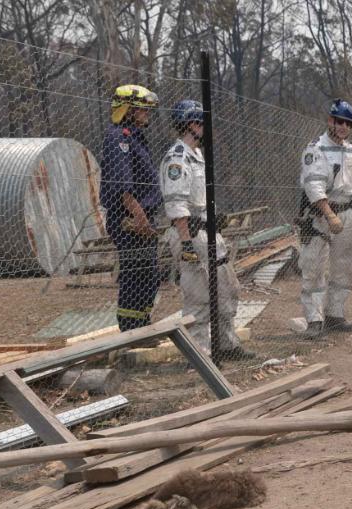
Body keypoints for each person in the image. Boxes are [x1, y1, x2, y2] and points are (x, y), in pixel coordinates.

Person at [159, 100, 255, 361]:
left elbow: (199, 198)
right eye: (203, 123)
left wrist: (213, 219)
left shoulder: (198, 155)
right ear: (192, 124)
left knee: (226, 288)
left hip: (207, 233)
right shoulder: (176, 160)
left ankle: (227, 344)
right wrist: (186, 243)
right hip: (189, 233)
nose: (208, 129)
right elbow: (177, 205)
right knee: (198, 298)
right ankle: (200, 356)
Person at [297, 98, 352, 337]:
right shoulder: (316, 149)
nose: (343, 127)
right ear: (330, 121)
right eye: (339, 122)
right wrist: (328, 215)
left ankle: (335, 314)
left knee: (344, 266)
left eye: (348, 123)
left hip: (346, 214)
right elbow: (313, 186)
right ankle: (314, 320)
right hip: (320, 215)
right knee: (314, 266)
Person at [99, 84, 162, 331]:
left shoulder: (134, 136)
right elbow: (123, 187)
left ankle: (143, 325)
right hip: (129, 219)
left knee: (148, 276)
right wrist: (140, 218)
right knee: (135, 276)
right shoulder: (119, 138)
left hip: (141, 217)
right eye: (142, 109)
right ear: (129, 110)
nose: (147, 114)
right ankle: (130, 329)